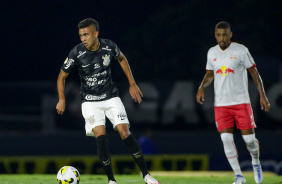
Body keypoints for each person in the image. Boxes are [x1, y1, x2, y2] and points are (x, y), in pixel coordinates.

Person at [56, 18, 160, 184]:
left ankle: (146, 175)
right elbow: (61, 76)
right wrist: (61, 99)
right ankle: (111, 180)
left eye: (86, 35)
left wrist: (132, 84)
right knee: (101, 136)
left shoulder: (109, 46)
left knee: (124, 133)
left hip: (111, 97)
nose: (83, 38)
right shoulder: (76, 53)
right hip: (90, 102)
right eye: (81, 35)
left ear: (96, 34)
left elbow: (122, 58)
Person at [196, 21, 270, 184]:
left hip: (241, 102)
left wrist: (262, 95)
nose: (221, 38)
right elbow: (210, 74)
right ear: (215, 35)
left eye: (224, 34)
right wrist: (201, 87)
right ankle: (239, 176)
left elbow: (254, 73)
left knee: (249, 141)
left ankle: (256, 162)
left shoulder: (241, 50)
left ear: (230, 34)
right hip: (221, 105)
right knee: (226, 139)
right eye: (218, 35)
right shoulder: (211, 52)